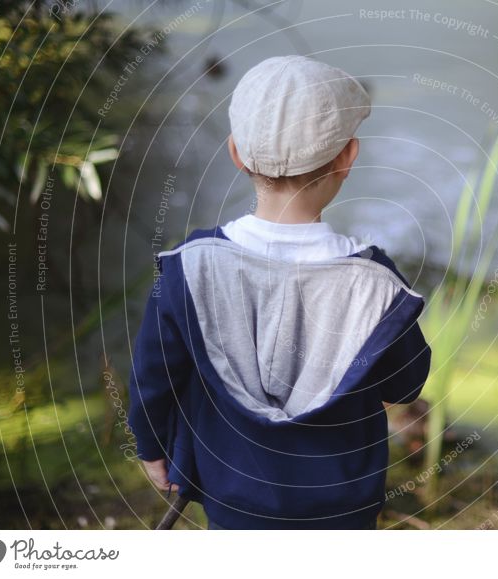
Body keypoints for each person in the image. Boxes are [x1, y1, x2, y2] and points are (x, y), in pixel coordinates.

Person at [128, 55, 431, 529]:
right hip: (343, 504)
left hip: (232, 494)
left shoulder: (191, 266)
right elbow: (405, 383)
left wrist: (151, 448)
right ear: (347, 156)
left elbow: (153, 377)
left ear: (236, 152)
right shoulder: (374, 280)